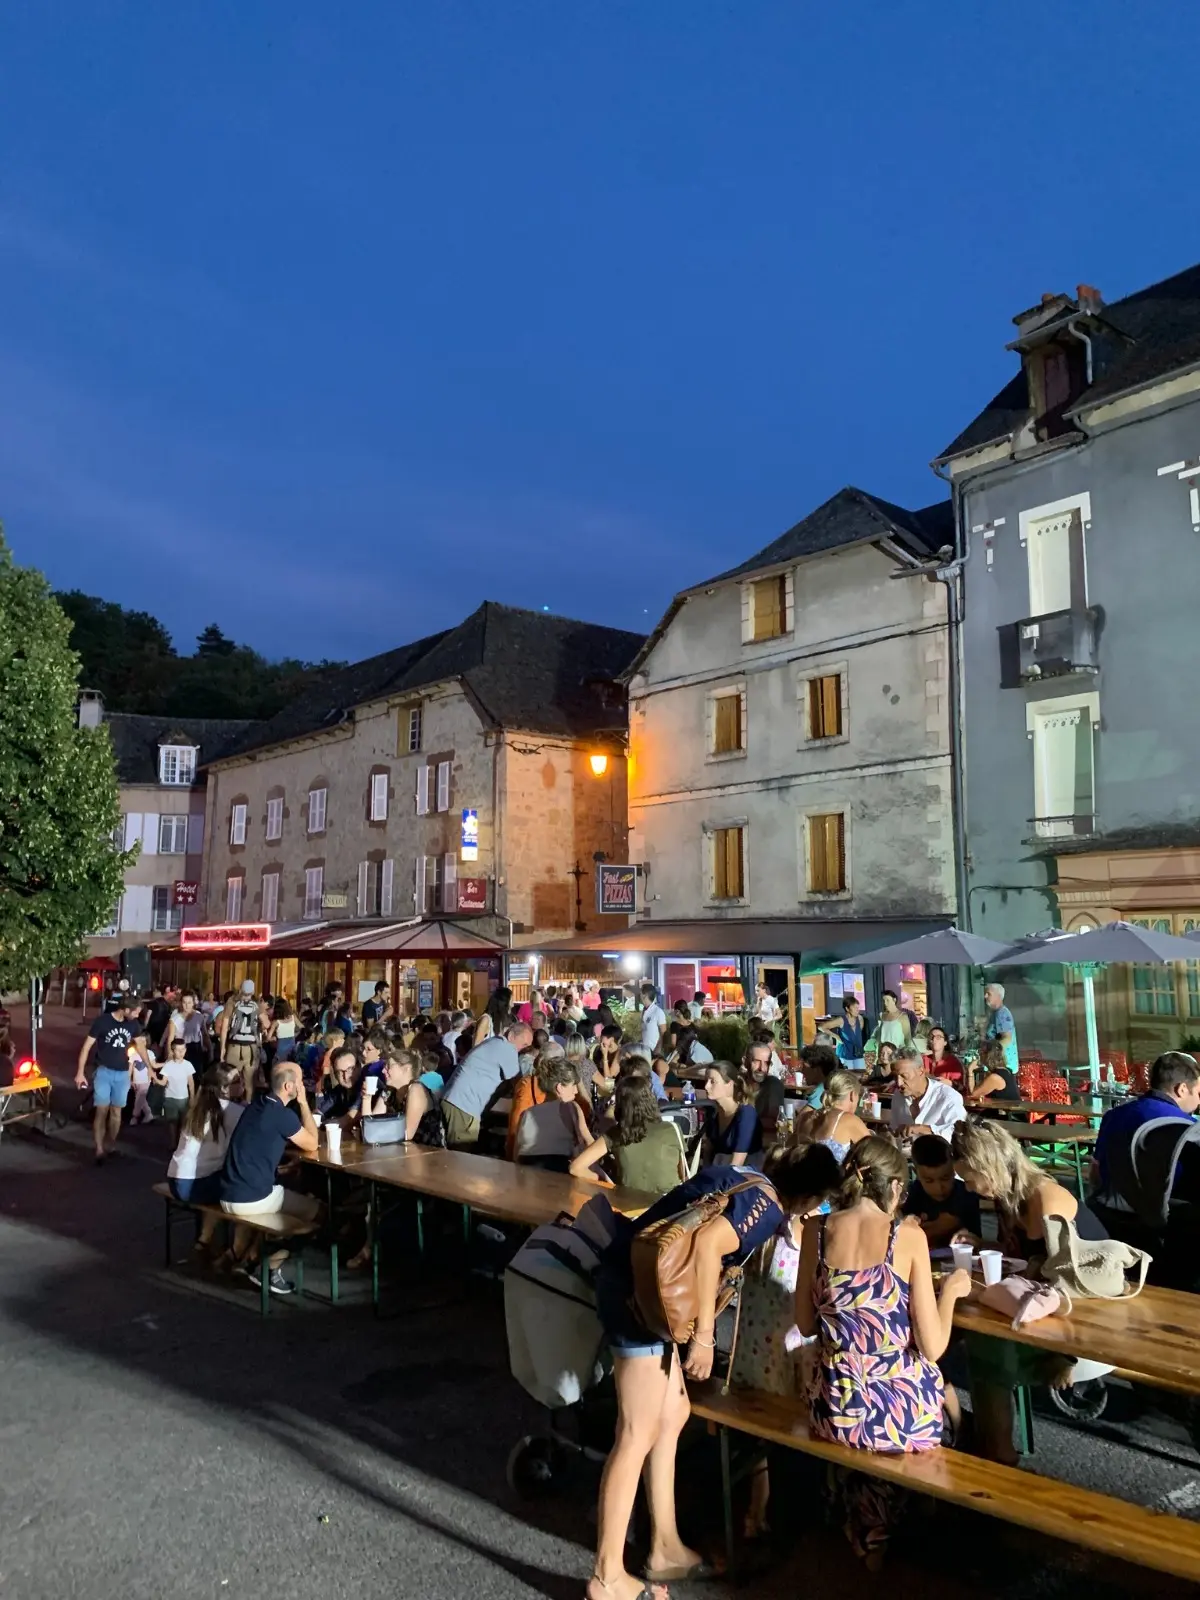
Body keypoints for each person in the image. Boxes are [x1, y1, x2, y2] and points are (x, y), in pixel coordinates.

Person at [588, 1159, 818, 1600]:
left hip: (641, 1283)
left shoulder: (745, 1177)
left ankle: (665, 1545)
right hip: (638, 1297)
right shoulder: (768, 1208)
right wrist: (706, 1337)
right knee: (635, 1432)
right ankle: (607, 1575)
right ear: (809, 1199)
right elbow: (710, 1246)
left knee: (673, 1412)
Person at [795, 1136, 971, 1563]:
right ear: (894, 1188)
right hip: (898, 1409)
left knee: (862, 1434)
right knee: (941, 1392)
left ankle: (863, 1518)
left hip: (834, 1404)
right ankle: (885, 1526)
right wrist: (950, 1292)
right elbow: (932, 1347)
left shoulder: (815, 1231)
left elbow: (805, 1324)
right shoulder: (905, 1236)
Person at [950, 1118, 1109, 1462]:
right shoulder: (1008, 1197)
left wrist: (1066, 1355)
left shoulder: (1046, 1199)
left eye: (971, 1179)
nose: (970, 1188)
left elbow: (1069, 1279)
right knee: (976, 1337)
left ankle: (997, 1454)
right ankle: (989, 1446)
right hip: (1049, 1306)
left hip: (1086, 1319)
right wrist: (982, 1243)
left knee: (986, 1346)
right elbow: (1023, 1258)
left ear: (989, 1166)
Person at [1090, 1051, 1200, 1272]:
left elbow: (1096, 1170)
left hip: (1108, 1217)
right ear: (1181, 1089)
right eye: (1198, 1093)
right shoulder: (1184, 1127)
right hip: (1159, 1226)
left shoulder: (1114, 1115)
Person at [218, 1061, 322, 1296]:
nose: (303, 1085)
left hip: (228, 1192)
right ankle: (269, 1268)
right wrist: (304, 1103)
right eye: (300, 1081)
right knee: (320, 1215)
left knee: (287, 1191)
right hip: (251, 1199)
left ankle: (251, 1258)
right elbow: (312, 1143)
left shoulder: (257, 1104)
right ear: (288, 1086)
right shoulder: (282, 1115)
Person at [167, 1065, 245, 1254]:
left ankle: (205, 1238)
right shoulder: (231, 1110)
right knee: (245, 1191)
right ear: (224, 1088)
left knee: (224, 1182)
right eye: (237, 1081)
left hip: (176, 1179)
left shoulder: (198, 1106)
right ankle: (238, 1251)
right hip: (196, 1183)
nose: (242, 1083)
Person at [570, 1075, 687, 1194]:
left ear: (620, 1105)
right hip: (669, 1200)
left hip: (629, 1201)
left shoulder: (616, 1133)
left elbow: (576, 1168)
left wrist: (604, 1183)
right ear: (651, 1100)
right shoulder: (672, 1129)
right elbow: (683, 1175)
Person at [75, 994, 154, 1165]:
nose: (137, 1015)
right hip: (103, 1071)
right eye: (135, 1012)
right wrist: (80, 1072)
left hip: (122, 1073)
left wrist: (150, 1068)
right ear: (126, 1010)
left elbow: (140, 1046)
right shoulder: (102, 1022)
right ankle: (99, 1149)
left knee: (117, 1112)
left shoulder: (133, 1024)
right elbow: (86, 1047)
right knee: (101, 1110)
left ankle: (111, 1144)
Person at [441, 1022, 533, 1148]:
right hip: (465, 1105)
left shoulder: (494, 1042)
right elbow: (519, 1083)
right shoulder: (507, 1048)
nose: (524, 1049)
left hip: (456, 1100)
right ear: (511, 1036)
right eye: (524, 1044)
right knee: (462, 1155)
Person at [902, 1133, 982, 1247]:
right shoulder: (911, 1194)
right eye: (929, 1181)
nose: (938, 1188)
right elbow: (902, 1237)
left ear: (954, 1168)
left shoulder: (968, 1194)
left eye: (945, 1178)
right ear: (916, 1172)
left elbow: (978, 1240)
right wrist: (938, 1228)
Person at [514, 1056, 591, 1171]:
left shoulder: (527, 1113)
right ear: (560, 1087)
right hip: (557, 1173)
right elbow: (589, 1143)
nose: (576, 1091)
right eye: (573, 1085)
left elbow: (515, 1154)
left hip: (524, 1173)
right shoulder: (570, 1107)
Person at [365, 1045, 442, 1144]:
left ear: (406, 1068)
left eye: (388, 1066)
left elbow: (406, 1133)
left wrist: (372, 1134)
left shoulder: (416, 1089)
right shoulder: (388, 1092)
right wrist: (366, 1098)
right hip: (403, 1149)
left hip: (429, 1151)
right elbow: (370, 1124)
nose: (383, 1071)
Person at [888, 1046, 967, 1142]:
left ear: (921, 1071)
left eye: (904, 1076)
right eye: (895, 1077)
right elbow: (894, 1129)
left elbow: (961, 1132)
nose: (899, 1083)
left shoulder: (948, 1096)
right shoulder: (898, 1095)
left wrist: (924, 1129)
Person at [803, 1069, 872, 1162]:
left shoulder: (805, 1117)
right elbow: (876, 1155)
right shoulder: (849, 1120)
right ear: (852, 1095)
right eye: (858, 1095)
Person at [701, 1061, 761, 1166]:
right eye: (706, 1081)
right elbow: (707, 1154)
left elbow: (737, 1164)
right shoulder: (713, 1112)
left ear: (729, 1084)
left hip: (742, 1173)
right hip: (718, 1170)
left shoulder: (746, 1114)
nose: (706, 1086)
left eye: (712, 1082)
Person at [222, 979, 265, 1100]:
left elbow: (224, 1027)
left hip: (234, 1046)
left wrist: (222, 1049)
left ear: (240, 989)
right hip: (251, 1049)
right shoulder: (256, 1004)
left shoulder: (232, 1002)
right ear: (253, 991)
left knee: (231, 1081)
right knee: (249, 1084)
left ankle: (230, 1106)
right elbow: (266, 1023)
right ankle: (247, 1105)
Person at [744, 1041, 786, 1142]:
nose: (761, 1068)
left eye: (766, 1063)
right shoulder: (736, 1084)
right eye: (756, 1061)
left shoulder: (773, 1085)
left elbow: (771, 1122)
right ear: (745, 1061)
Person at [156, 1038, 197, 1132]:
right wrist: (155, 1079)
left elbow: (191, 1083)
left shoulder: (188, 1065)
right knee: (172, 1123)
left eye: (183, 1049)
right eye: (178, 1050)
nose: (181, 1052)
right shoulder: (168, 1065)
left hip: (184, 1099)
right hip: (170, 1098)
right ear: (173, 1051)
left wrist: (192, 1098)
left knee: (184, 1123)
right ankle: (173, 1140)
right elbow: (163, 1082)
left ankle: (180, 1140)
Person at [965, 1040, 1021, 1106]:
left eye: (981, 1052)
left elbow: (972, 1095)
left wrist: (970, 1070)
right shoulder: (1006, 1070)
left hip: (1007, 1111)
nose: (979, 1055)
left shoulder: (994, 1077)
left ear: (988, 1056)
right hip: (1005, 1109)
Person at [317, 1045, 363, 1122]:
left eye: (350, 1069)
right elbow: (319, 1112)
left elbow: (352, 1116)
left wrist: (330, 1123)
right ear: (335, 1075)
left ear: (359, 1068)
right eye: (340, 1072)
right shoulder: (338, 1091)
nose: (346, 1076)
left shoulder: (364, 1088)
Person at [982, 982, 1019, 1075]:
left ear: (998, 996)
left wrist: (992, 1053)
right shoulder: (996, 1013)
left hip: (1002, 1066)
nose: (985, 996)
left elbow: (1007, 1038)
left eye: (988, 994)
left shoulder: (1002, 1013)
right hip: (998, 1065)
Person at [167, 990, 209, 1069]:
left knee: (197, 1072)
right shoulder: (175, 1019)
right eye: (184, 1003)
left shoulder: (199, 1016)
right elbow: (170, 1039)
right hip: (180, 1049)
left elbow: (205, 1034)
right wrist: (170, 1053)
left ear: (193, 1003)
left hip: (196, 1048)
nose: (187, 1006)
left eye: (189, 1003)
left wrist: (210, 1050)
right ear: (181, 1003)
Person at [868, 990, 911, 1059]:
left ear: (894, 1000)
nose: (885, 1003)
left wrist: (907, 1054)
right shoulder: (882, 1016)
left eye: (888, 1000)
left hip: (896, 1053)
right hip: (883, 1053)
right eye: (883, 1000)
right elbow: (878, 1035)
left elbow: (907, 1037)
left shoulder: (902, 1016)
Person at [835, 995, 868, 1071]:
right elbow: (822, 1027)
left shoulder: (860, 1018)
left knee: (861, 1074)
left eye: (858, 1007)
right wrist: (836, 1037)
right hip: (845, 1053)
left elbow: (857, 1035)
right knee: (848, 1075)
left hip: (858, 1052)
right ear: (847, 1009)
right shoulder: (841, 1020)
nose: (857, 1010)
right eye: (855, 1008)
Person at [639, 982, 667, 1056]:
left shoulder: (658, 1012)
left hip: (654, 1052)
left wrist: (657, 1051)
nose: (639, 995)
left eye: (640, 993)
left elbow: (663, 1034)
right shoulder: (643, 1011)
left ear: (645, 995)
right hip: (644, 1051)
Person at [272, 998, 298, 1063]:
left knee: (278, 1066)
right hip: (292, 1049)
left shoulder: (276, 1022)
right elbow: (302, 1027)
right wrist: (294, 1034)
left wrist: (274, 1038)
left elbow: (268, 1038)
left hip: (281, 1049)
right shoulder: (293, 1017)